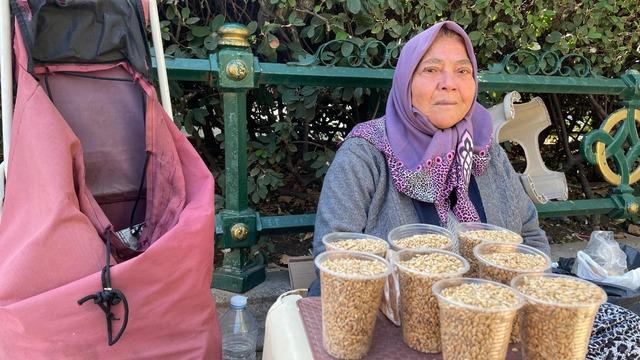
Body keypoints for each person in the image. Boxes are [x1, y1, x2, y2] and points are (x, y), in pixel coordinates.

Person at [309, 20, 640, 357]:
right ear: (406, 80)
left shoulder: (486, 151)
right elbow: (335, 262)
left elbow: (530, 239)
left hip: (489, 334)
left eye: (463, 71)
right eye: (431, 69)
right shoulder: (366, 154)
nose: (449, 84)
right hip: (400, 334)